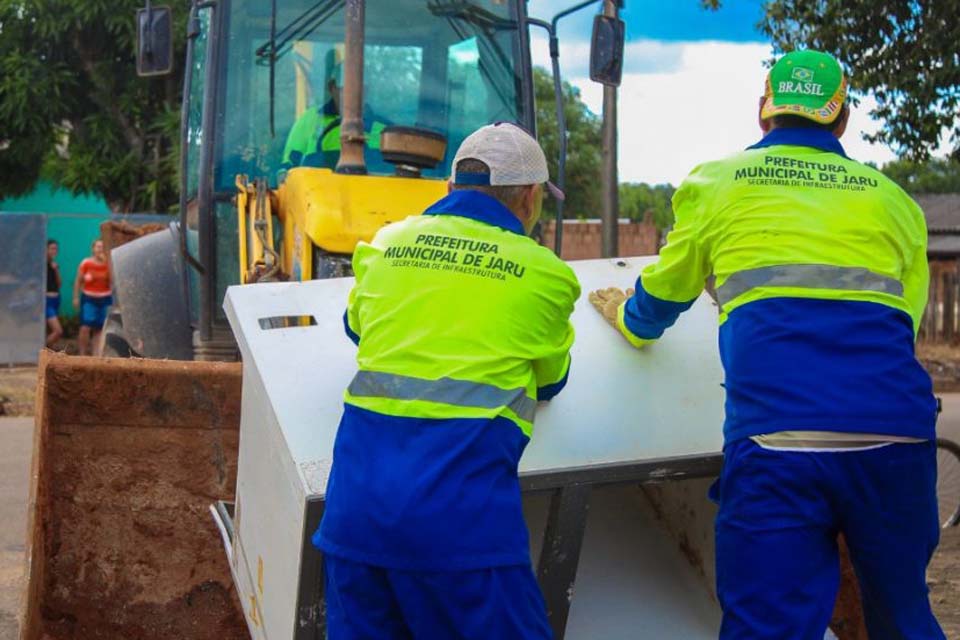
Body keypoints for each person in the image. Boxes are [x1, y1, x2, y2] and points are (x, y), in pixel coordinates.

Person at [590, 50, 944, 639]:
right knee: (904, 618)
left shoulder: (718, 183)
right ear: (844, 119)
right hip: (895, 437)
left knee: (767, 628)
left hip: (779, 440)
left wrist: (628, 318)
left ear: (763, 112)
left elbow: (665, 296)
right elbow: (901, 326)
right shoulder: (894, 202)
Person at [315, 122, 578, 639]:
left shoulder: (384, 246)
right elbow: (551, 382)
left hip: (356, 519)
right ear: (529, 198)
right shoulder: (546, 275)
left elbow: (356, 327)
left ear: (450, 189)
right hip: (463, 533)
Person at [282, 59, 387, 171]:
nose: (352, 94)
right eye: (345, 87)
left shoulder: (384, 131)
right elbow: (288, 169)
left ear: (367, 90)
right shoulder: (309, 121)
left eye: (360, 87)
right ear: (332, 88)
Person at [73, 239, 112, 356]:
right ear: (93, 249)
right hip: (89, 298)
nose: (100, 249)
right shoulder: (86, 263)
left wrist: (108, 264)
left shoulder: (109, 264)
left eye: (102, 247)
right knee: (85, 327)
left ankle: (96, 356)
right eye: (98, 247)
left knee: (99, 329)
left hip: (105, 298)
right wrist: (75, 297)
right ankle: (82, 354)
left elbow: (113, 282)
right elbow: (78, 281)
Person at [45, 239, 64, 347]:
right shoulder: (42, 265)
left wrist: (56, 269)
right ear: (46, 250)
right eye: (52, 248)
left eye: (56, 249)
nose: (54, 251)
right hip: (46, 301)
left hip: (56, 299)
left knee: (49, 330)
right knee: (58, 331)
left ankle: (46, 357)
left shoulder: (54, 265)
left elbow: (59, 284)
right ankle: (40, 352)